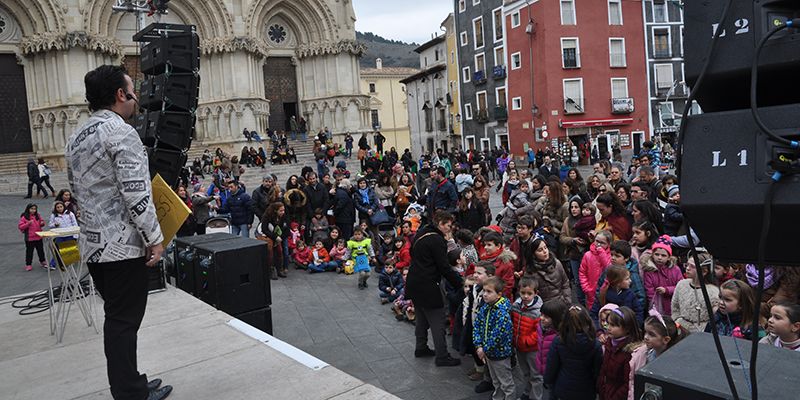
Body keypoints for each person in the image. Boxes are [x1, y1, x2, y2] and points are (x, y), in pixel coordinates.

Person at [64, 65, 170, 400]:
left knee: (118, 319)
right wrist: (155, 237)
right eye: (132, 90)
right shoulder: (121, 132)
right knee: (123, 323)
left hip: (95, 247)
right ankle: (130, 393)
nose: (136, 97)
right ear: (120, 95)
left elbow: (76, 191)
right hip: (122, 248)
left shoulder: (76, 137)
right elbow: (136, 192)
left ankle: (132, 383)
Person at [405, 210, 463, 366]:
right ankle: (442, 356)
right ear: (440, 224)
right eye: (448, 226)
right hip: (428, 284)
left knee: (421, 318)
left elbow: (412, 252)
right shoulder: (437, 240)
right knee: (437, 321)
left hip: (414, 281)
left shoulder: (422, 232)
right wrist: (460, 283)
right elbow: (444, 267)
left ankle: (421, 347)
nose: (449, 230)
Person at [543, 305, 602, 400]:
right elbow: (597, 370)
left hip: (563, 387)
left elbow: (552, 365)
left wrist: (547, 380)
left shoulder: (559, 341)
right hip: (586, 389)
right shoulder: (595, 345)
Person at [473, 277, 515, 400]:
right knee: (496, 381)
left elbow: (499, 334)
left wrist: (484, 349)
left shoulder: (502, 312)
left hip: (500, 354)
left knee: (506, 382)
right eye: (484, 291)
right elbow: (477, 325)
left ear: (499, 294)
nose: (485, 294)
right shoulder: (485, 307)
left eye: (489, 292)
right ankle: (498, 397)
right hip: (488, 352)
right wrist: (478, 345)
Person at [597, 307, 645, 400]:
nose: (608, 327)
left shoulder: (630, 352)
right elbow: (603, 369)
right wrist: (600, 386)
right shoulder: (609, 343)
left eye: (613, 325)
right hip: (605, 392)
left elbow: (628, 383)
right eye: (608, 323)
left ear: (627, 328)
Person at [511, 278, 544, 400]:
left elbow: (540, 331)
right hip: (519, 347)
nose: (525, 296)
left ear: (536, 293)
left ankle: (535, 397)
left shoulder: (538, 311)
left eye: (529, 293)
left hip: (532, 349)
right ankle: (527, 392)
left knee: (535, 375)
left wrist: (526, 341)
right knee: (525, 372)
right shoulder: (516, 306)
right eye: (523, 293)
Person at [671, 251, 719, 332]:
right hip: (681, 327)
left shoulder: (713, 291)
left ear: (704, 271)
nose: (687, 268)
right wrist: (677, 320)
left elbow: (714, 315)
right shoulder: (682, 284)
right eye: (687, 265)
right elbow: (675, 306)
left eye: (692, 266)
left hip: (700, 330)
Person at [641, 236, 683, 315]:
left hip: (674, 304)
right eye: (657, 254)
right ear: (652, 254)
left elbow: (681, 287)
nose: (659, 258)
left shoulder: (675, 269)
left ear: (669, 257)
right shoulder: (649, 270)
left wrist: (667, 290)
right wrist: (653, 306)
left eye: (663, 255)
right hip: (658, 305)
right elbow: (649, 290)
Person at [579, 230, 613, 310]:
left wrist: (602, 253)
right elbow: (582, 272)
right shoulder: (588, 255)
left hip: (606, 293)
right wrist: (586, 288)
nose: (598, 244)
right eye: (597, 241)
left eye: (602, 243)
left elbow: (609, 269)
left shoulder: (611, 256)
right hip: (591, 292)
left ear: (608, 244)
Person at [18, 203, 46, 271]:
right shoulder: (24, 217)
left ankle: (42, 261)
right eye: (31, 209)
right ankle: (28, 264)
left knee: (40, 250)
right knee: (29, 251)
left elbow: (41, 222)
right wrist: (28, 223)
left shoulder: (38, 216)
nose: (33, 210)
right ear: (28, 209)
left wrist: (42, 223)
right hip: (29, 238)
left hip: (38, 236)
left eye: (34, 209)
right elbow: (20, 226)